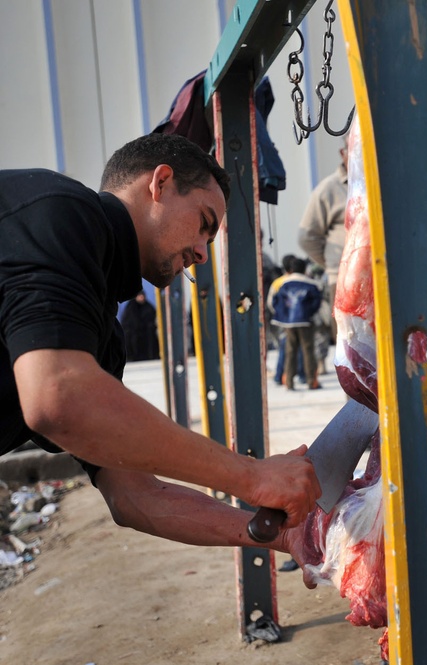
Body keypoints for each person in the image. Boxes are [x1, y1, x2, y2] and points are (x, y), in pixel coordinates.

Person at [0, 134, 321, 577]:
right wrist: (252, 476)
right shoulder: (60, 213)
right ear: (162, 183)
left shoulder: (99, 337)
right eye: (204, 223)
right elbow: (57, 397)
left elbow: (134, 497)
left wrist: (283, 536)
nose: (201, 255)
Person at [298, 140, 348, 343]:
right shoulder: (329, 189)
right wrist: (333, 265)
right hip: (344, 279)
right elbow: (307, 237)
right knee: (350, 345)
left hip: (383, 275)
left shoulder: (382, 180)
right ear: (343, 152)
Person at [267, 255, 324, 390]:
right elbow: (317, 303)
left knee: (290, 351)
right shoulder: (312, 284)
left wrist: (283, 316)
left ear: (291, 269)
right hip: (306, 322)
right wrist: (309, 313)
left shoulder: (283, 284)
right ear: (304, 269)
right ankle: (312, 381)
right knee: (308, 351)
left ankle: (289, 382)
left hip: (288, 324)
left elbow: (274, 302)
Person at [120, 290, 160, 361]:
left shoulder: (148, 307)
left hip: (146, 332)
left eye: (143, 296)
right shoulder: (131, 308)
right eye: (140, 296)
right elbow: (126, 322)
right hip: (133, 332)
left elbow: (152, 319)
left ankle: (151, 355)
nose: (141, 298)